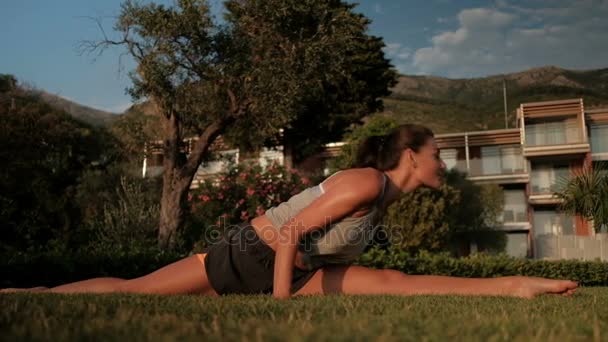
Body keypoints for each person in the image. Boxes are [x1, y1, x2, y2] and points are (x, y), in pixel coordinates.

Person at [1, 124, 577, 299]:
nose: (442, 164)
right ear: (411, 156)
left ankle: (513, 284)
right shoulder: (363, 183)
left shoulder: (385, 200)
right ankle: (28, 296)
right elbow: (290, 232)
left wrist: (512, 282)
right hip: (253, 254)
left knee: (393, 280)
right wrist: (281, 309)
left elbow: (310, 247)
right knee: (137, 291)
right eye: (438, 155)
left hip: (294, 263)